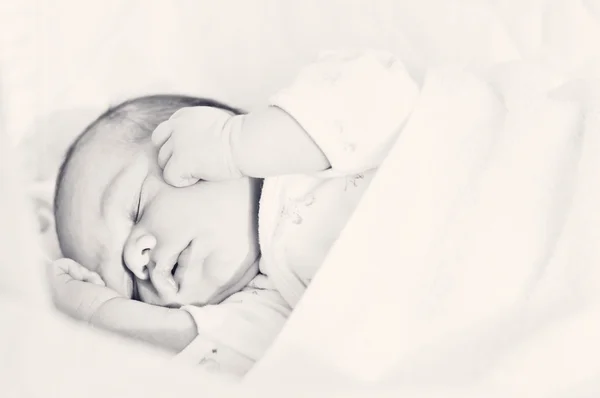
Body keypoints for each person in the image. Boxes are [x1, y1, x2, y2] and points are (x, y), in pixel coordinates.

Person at [51, 50, 420, 376]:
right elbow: (224, 352)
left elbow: (385, 91)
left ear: (192, 132)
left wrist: (235, 142)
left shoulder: (300, 149)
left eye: (135, 208)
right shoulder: (266, 304)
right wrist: (94, 311)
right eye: (132, 286)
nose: (138, 259)